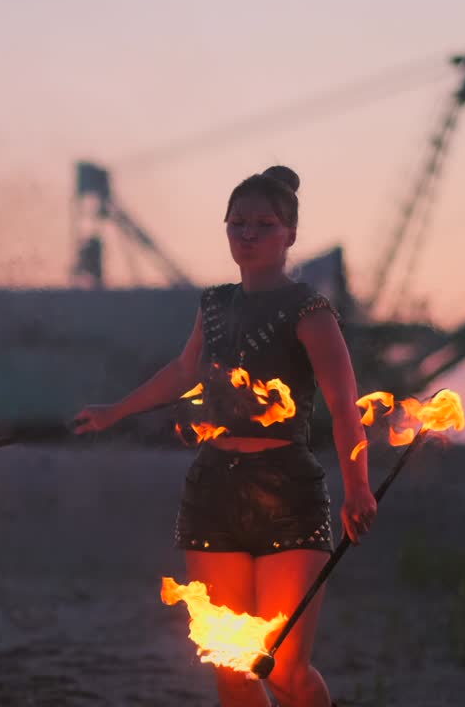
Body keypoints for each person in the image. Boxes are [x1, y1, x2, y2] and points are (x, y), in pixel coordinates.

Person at [73, 166, 376, 707]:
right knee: (232, 665)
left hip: (289, 493)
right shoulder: (214, 304)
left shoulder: (310, 311)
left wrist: (358, 488)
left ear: (290, 235)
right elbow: (184, 371)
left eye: (263, 223)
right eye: (238, 223)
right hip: (213, 489)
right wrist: (114, 411)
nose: (249, 234)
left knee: (283, 667)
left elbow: (343, 408)